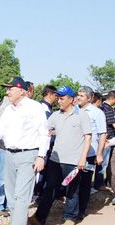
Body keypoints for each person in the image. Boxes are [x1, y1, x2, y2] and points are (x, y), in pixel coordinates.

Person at [0, 76, 49, 225]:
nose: (7, 92)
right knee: (12, 196)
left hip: (28, 155)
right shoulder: (8, 109)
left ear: (21, 91)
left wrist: (41, 156)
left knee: (22, 197)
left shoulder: (34, 107)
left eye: (10, 89)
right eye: (7, 89)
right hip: (9, 155)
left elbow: (44, 133)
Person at [30, 85, 92, 225]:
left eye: (62, 98)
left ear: (71, 99)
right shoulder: (55, 115)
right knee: (49, 189)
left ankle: (69, 218)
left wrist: (83, 158)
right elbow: (45, 129)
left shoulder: (82, 115)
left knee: (72, 191)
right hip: (55, 160)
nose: (59, 101)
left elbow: (88, 138)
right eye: (58, 98)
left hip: (74, 162)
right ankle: (39, 217)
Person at [76, 86, 106, 220]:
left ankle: (81, 210)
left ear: (89, 98)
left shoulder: (97, 113)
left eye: (81, 96)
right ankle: (72, 209)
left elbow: (102, 134)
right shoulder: (74, 110)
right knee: (73, 182)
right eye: (78, 95)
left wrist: (99, 154)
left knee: (85, 183)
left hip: (89, 154)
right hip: (74, 153)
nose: (78, 97)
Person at [33, 85, 57, 199]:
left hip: (49, 145)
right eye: (56, 95)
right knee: (39, 172)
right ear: (50, 94)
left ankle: (40, 193)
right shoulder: (41, 108)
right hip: (41, 144)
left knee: (45, 171)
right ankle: (36, 194)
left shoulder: (49, 108)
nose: (57, 98)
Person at [99, 91, 115, 204]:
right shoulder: (107, 108)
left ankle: (105, 183)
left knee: (107, 164)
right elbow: (112, 123)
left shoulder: (103, 107)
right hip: (107, 140)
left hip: (107, 139)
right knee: (103, 163)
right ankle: (99, 184)